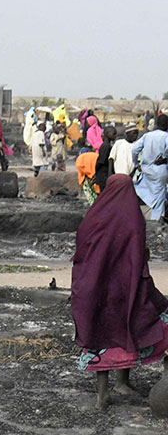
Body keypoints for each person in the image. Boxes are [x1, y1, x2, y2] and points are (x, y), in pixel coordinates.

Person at [71, 174, 168, 410]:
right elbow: (138, 255)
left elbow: (82, 250)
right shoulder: (133, 218)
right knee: (131, 326)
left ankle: (102, 395)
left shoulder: (94, 217)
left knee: (101, 335)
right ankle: (125, 382)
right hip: (126, 286)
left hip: (95, 288)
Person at [131, 113, 168, 220]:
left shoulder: (148, 135)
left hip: (146, 170)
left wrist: (136, 164)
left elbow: (134, 149)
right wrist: (165, 158)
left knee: (144, 191)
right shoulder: (166, 136)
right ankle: (156, 221)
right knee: (158, 199)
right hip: (159, 170)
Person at [93, 126, 117, 191]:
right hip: (103, 174)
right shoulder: (106, 146)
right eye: (113, 134)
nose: (115, 136)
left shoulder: (107, 145)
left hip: (104, 174)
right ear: (107, 134)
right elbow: (101, 161)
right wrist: (95, 172)